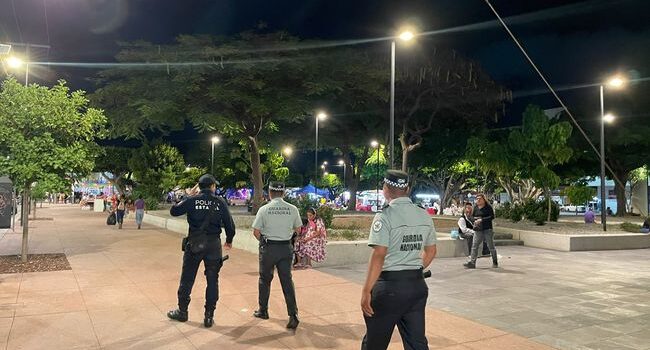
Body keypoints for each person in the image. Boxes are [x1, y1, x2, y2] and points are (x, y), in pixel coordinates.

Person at [361, 170, 437, 350]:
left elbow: (379, 255)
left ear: (385, 189)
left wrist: (366, 290)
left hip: (389, 289)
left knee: (375, 343)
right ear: (408, 189)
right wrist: (414, 269)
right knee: (416, 343)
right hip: (417, 286)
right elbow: (431, 251)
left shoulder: (385, 216)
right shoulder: (424, 214)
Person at [167, 174, 235, 328]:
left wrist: (187, 195)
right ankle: (209, 316)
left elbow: (174, 211)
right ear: (212, 186)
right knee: (212, 280)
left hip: (195, 244)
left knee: (187, 278)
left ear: (199, 187)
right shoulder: (220, 201)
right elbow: (230, 226)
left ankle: (182, 312)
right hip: (213, 245)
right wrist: (229, 240)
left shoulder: (192, 200)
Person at [252, 181, 302, 329]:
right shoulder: (292, 209)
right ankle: (293, 315)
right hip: (286, 248)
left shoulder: (264, 209)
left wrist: (264, 241)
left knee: (264, 280)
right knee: (287, 281)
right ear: (284, 193)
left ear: (270, 192)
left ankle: (263, 310)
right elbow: (298, 229)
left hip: (269, 248)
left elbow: (256, 231)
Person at [464, 194, 498, 269]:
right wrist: (475, 220)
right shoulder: (475, 207)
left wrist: (482, 220)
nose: (478, 200)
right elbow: (471, 217)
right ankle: (472, 262)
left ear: (484, 199)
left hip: (487, 229)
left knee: (490, 246)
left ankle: (495, 261)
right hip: (478, 229)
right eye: (477, 199)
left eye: (480, 199)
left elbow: (492, 216)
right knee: (474, 246)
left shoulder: (488, 207)